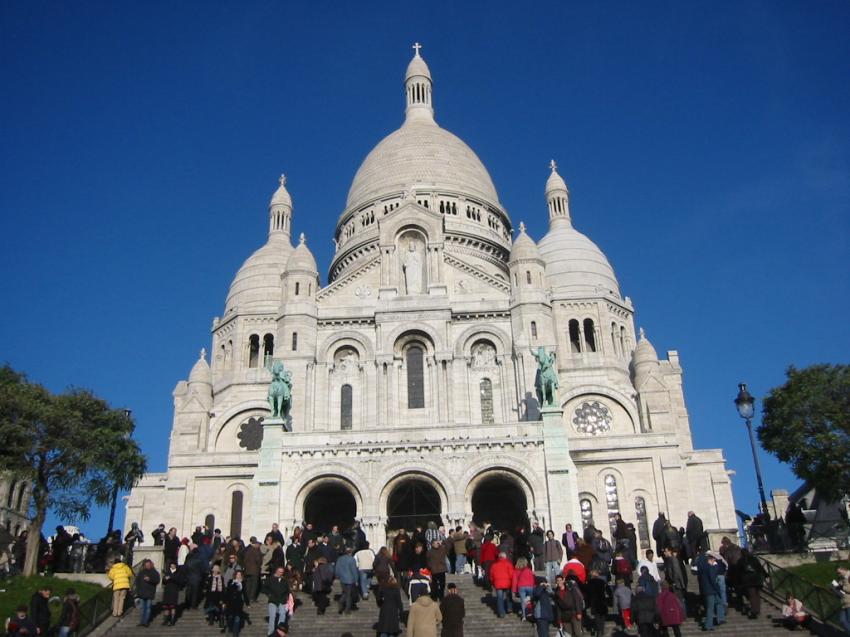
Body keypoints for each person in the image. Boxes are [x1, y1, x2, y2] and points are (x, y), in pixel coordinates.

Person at [695, 552, 723, 630]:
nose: (714, 561)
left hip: (706, 590)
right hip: (711, 590)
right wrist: (717, 588)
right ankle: (708, 625)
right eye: (714, 560)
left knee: (718, 602)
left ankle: (720, 619)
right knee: (710, 608)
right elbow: (712, 579)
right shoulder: (709, 567)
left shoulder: (703, 568)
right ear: (712, 559)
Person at [738, 548, 767, 619]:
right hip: (757, 579)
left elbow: (738, 571)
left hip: (748, 580)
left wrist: (739, 581)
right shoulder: (754, 559)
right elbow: (760, 568)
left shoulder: (740, 561)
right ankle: (757, 609)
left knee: (752, 595)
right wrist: (765, 575)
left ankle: (754, 611)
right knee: (757, 595)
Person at [134, 558, 160, 627]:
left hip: (150, 592)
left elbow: (157, 580)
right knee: (142, 608)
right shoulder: (142, 572)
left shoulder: (154, 572)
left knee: (148, 608)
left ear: (151, 565)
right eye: (146, 565)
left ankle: (145, 622)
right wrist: (138, 590)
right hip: (142, 592)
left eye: (148, 565)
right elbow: (137, 581)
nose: (147, 566)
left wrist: (150, 579)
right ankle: (141, 621)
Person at [488, 551, 515, 618]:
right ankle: (509, 609)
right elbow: (512, 574)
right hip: (507, 583)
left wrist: (493, 582)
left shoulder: (494, 565)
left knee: (500, 598)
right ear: (505, 557)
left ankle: (501, 612)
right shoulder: (509, 564)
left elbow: (491, 575)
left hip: (498, 584)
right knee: (509, 596)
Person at [265, 565, 291, 633]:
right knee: (272, 616)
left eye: (282, 572)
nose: (280, 573)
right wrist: (269, 594)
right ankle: (271, 633)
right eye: (279, 572)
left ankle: (280, 631)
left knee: (282, 615)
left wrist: (287, 597)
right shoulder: (270, 579)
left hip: (282, 600)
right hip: (273, 600)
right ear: (276, 571)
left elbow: (287, 590)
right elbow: (264, 588)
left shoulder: (284, 580)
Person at [335, 546, 359, 614]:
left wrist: (337, 575)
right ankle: (346, 609)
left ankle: (341, 604)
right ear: (350, 552)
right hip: (350, 579)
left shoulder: (340, 559)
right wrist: (356, 579)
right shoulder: (352, 559)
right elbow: (354, 570)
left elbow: (337, 568)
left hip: (342, 579)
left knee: (345, 593)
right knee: (348, 595)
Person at [586, 568, 609, 637]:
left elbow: (588, 592)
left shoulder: (589, 582)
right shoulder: (602, 581)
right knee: (602, 616)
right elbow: (608, 590)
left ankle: (599, 630)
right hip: (602, 600)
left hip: (594, 601)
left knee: (597, 617)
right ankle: (601, 630)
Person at [222, 570, 245, 636]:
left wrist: (247, 603)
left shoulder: (242, 583)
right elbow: (227, 593)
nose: (239, 576)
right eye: (237, 575)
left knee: (237, 619)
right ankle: (230, 627)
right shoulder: (230, 582)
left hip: (238, 604)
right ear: (235, 575)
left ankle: (235, 634)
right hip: (230, 603)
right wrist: (224, 602)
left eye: (240, 575)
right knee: (230, 617)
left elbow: (245, 593)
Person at [161, 561, 184, 625]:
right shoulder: (167, 572)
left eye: (173, 564)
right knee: (166, 606)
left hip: (174, 590)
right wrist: (165, 579)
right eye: (171, 565)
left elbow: (180, 581)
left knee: (172, 606)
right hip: (167, 590)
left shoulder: (178, 573)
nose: (172, 566)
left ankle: (172, 620)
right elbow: (163, 581)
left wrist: (171, 577)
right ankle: (165, 620)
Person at [512, 557, 535, 621]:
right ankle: (531, 611)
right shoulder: (528, 570)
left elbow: (514, 581)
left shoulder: (516, 570)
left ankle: (524, 615)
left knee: (522, 601)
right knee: (531, 599)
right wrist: (533, 586)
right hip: (530, 586)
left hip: (521, 586)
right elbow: (532, 579)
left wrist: (514, 591)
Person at [241, 536, 263, 604]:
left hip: (247, 570)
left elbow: (244, 559)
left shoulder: (247, 549)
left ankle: (247, 597)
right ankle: (252, 597)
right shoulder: (256, 550)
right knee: (254, 584)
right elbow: (258, 560)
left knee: (248, 584)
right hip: (254, 570)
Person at [833, 565, 850, 632]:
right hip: (844, 603)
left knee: (849, 621)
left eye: (839, 573)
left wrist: (842, 587)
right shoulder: (842, 578)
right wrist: (835, 588)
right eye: (837, 573)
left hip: (849, 602)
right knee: (842, 621)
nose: (838, 574)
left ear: (843, 569)